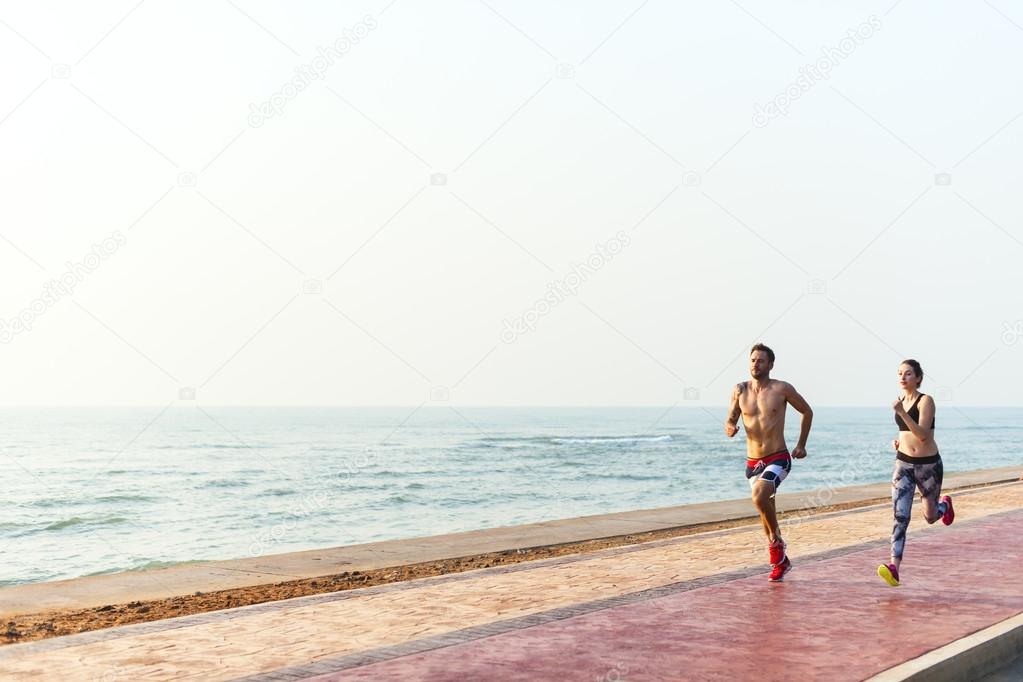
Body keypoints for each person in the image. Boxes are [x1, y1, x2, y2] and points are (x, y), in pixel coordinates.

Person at [725, 343, 813, 581]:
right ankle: (781, 560)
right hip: (753, 462)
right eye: (753, 360)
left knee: (759, 497)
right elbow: (731, 418)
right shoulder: (740, 390)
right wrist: (731, 426)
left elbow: (807, 411)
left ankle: (777, 549)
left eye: (761, 360)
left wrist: (801, 444)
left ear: (770, 365)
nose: (756, 364)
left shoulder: (781, 389)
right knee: (765, 508)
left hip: (778, 457)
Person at [878, 359, 954, 587]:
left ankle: (944, 506)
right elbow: (907, 432)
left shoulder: (925, 401)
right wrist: (899, 441)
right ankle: (894, 567)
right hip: (903, 465)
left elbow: (922, 434)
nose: (903, 377)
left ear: (918, 378)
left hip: (928, 466)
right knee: (900, 517)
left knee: (930, 517)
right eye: (900, 373)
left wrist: (902, 412)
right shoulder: (900, 401)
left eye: (908, 374)